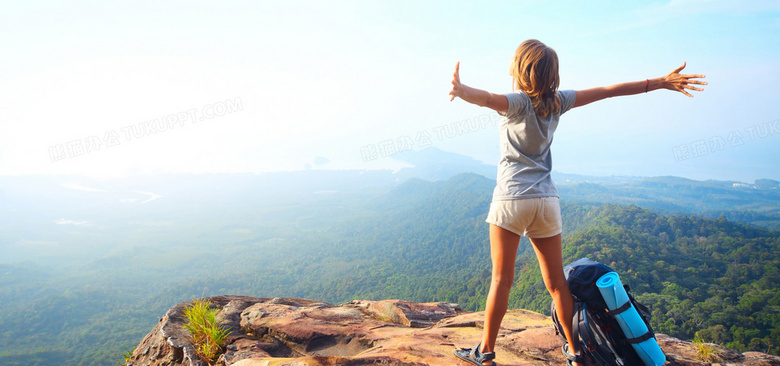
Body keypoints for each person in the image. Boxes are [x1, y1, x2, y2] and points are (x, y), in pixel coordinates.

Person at [449, 39, 706, 366]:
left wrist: (462, 89)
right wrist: (660, 82)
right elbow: (608, 90)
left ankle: (484, 351)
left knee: (502, 280)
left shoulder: (516, 102)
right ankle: (575, 351)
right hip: (546, 200)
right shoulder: (558, 102)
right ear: (551, 74)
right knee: (557, 284)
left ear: (521, 71)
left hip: (512, 198)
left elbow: (486, 98)